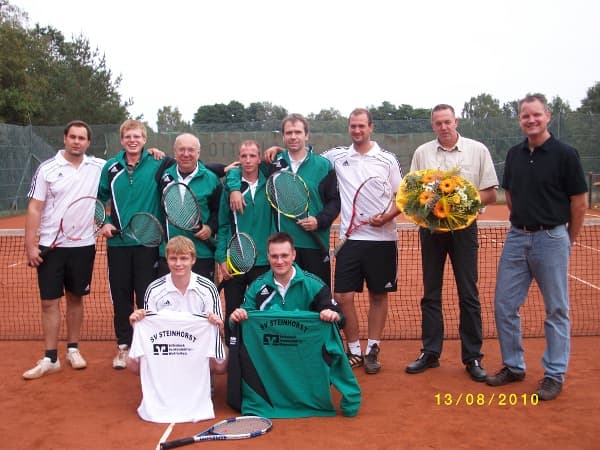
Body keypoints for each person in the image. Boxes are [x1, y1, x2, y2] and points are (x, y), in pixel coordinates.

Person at [486, 94, 588, 400]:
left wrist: (565, 240)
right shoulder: (515, 154)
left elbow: (579, 204)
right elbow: (511, 194)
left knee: (557, 309)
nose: (530, 120)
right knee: (504, 305)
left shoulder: (566, 154)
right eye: (524, 116)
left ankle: (554, 373)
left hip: (552, 239)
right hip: (517, 238)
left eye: (536, 115)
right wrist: (521, 222)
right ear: (519, 120)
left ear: (547, 116)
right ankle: (514, 366)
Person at [404, 104, 499, 382]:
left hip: (465, 229)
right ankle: (430, 353)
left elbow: (490, 194)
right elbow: (411, 192)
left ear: (455, 121)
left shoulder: (477, 150)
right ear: (433, 125)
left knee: (468, 293)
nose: (443, 127)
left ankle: (473, 357)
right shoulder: (422, 153)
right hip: (431, 231)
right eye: (438, 123)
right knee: (431, 293)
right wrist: (431, 207)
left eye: (447, 121)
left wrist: (458, 203)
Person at [23, 120, 105, 379]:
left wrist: (154, 153)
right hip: (51, 246)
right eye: (73, 137)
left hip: (83, 246)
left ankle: (73, 349)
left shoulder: (99, 167)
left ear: (88, 142)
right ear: (65, 138)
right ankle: (50, 357)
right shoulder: (47, 169)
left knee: (75, 299)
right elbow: (35, 207)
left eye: (82, 138)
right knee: (48, 302)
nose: (77, 141)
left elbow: (128, 163)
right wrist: (30, 245)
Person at [228, 114, 339, 287]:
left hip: (315, 244)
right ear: (283, 136)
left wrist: (319, 221)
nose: (293, 136)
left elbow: (334, 202)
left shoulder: (323, 165)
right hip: (283, 247)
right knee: (284, 298)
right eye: (289, 133)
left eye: (297, 132)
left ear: (306, 135)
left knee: (318, 299)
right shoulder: (273, 164)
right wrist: (235, 188)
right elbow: (240, 169)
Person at [127, 236, 226, 422]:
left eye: (184, 258)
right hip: (167, 351)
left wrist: (216, 322)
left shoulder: (208, 289)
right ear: (167, 259)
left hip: (195, 350)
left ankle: (205, 380)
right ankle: (161, 385)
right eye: (173, 258)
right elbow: (149, 331)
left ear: (193, 260)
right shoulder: (154, 289)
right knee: (132, 363)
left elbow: (218, 332)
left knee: (221, 363)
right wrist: (137, 320)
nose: (178, 264)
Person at [98, 119, 170, 370]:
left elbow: (190, 163)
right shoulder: (111, 167)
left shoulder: (159, 163)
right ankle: (124, 347)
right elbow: (98, 199)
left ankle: (148, 344)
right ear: (121, 140)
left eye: (137, 136)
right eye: (128, 136)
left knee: (147, 295)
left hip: (149, 242)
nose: (132, 140)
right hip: (118, 244)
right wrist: (104, 222)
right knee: (121, 297)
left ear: (145, 139)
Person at [216, 140, 273, 345]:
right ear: (239, 159)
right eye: (243, 156)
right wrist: (222, 258)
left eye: (252, 156)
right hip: (236, 260)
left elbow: (287, 157)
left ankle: (258, 352)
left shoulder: (271, 182)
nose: (248, 160)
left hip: (265, 261)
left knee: (262, 309)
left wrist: (277, 149)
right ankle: (233, 351)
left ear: (259, 158)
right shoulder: (230, 187)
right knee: (233, 310)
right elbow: (223, 225)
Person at [229, 232, 342, 324]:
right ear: (268, 256)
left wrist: (333, 315)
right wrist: (236, 317)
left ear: (293, 255)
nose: (279, 261)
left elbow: (341, 320)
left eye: (284, 255)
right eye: (274, 256)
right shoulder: (257, 287)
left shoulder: (315, 285)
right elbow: (240, 320)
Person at [157, 133, 221, 280]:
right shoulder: (163, 176)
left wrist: (210, 228)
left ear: (198, 153)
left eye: (191, 150)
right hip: (169, 254)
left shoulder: (212, 179)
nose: (186, 154)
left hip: (201, 253)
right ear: (175, 152)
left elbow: (219, 212)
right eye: (182, 149)